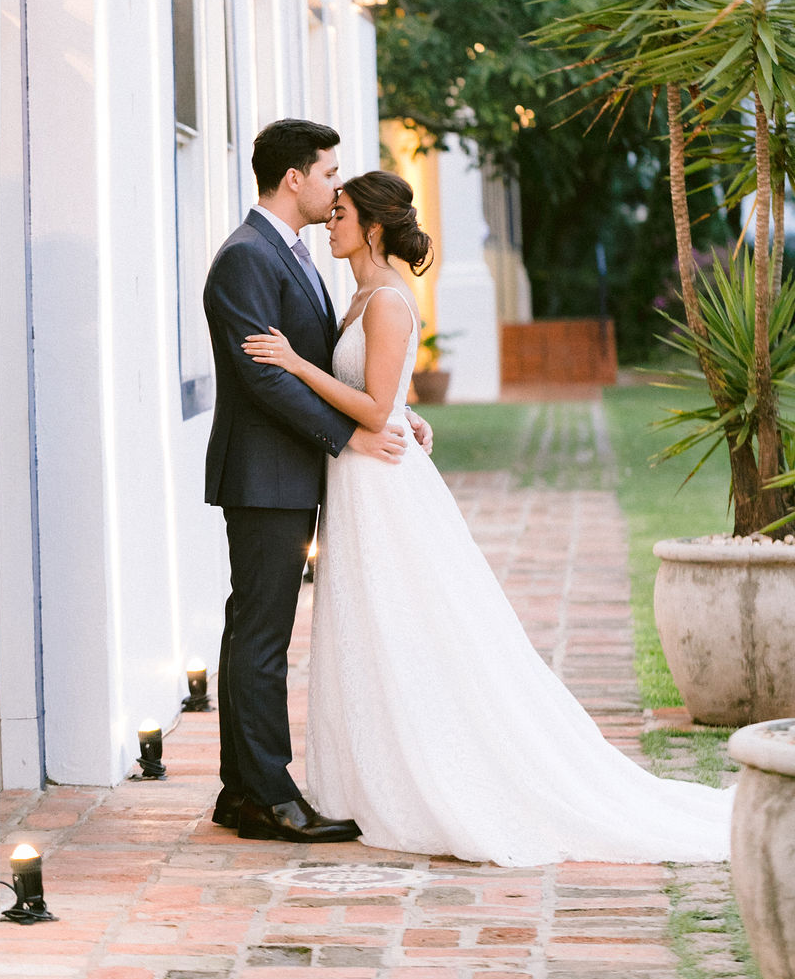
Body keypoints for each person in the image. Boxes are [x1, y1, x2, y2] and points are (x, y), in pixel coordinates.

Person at [242, 170, 733, 866]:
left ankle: (434, 773)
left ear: (373, 227)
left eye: (342, 212)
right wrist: (399, 409)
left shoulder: (386, 300)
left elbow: (374, 408)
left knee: (407, 620)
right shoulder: (354, 298)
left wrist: (295, 365)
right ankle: (369, 773)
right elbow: (383, 397)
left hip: (380, 481)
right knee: (366, 624)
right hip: (357, 477)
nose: (331, 221)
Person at [203, 121, 433, 845]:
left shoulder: (292, 254)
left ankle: (243, 790)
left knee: (256, 632)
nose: (338, 187)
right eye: (330, 174)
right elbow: (264, 375)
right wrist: (354, 432)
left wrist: (395, 410)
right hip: (265, 475)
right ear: (294, 178)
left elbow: (338, 368)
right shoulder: (245, 257)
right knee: (261, 637)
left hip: (294, 472)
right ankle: (268, 796)